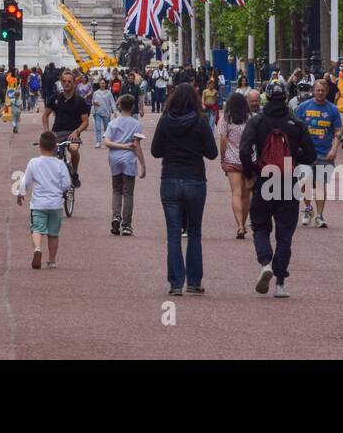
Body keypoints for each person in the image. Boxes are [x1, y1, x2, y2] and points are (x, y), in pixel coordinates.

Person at [239, 79, 317, 298]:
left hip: (264, 178)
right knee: (285, 233)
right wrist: (293, 158)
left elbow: (245, 149)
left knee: (260, 226)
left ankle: (265, 262)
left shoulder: (257, 121)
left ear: (266, 96)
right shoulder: (296, 122)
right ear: (285, 96)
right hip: (287, 181)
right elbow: (310, 155)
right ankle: (280, 283)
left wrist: (250, 171)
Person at [151, 82, 217, 295]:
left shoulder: (165, 121)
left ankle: (176, 282)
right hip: (195, 179)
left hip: (170, 178)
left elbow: (155, 151)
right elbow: (212, 153)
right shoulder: (200, 121)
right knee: (195, 232)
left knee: (173, 233)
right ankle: (194, 281)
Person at [19, 129, 72, 269]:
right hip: (55, 204)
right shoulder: (60, 164)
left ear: (40, 146)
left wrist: (20, 193)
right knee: (53, 234)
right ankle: (52, 260)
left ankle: (37, 248)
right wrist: (59, 190)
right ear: (55, 147)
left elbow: (25, 180)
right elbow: (67, 183)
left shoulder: (33, 163)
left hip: (38, 204)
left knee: (36, 229)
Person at [295, 78, 343, 228]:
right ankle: (308, 208)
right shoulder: (302, 107)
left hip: (324, 153)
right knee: (305, 183)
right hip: (305, 153)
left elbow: (338, 131)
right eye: (318, 90)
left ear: (327, 92)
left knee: (321, 186)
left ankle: (319, 215)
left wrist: (334, 149)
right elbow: (295, 129)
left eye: (323, 91)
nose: (320, 93)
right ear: (313, 91)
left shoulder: (333, 110)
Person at [105, 94, 145, 236]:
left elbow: (107, 142)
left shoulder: (112, 123)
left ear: (119, 105)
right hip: (129, 160)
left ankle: (116, 216)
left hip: (114, 158)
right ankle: (127, 225)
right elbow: (137, 146)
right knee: (128, 193)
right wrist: (143, 165)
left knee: (116, 190)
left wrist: (120, 146)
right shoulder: (136, 124)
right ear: (132, 107)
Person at [43, 71, 90, 188]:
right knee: (50, 154)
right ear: (61, 82)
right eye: (64, 81)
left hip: (73, 132)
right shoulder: (54, 98)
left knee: (74, 149)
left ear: (74, 83)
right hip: (57, 132)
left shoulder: (80, 100)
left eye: (69, 81)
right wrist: (46, 131)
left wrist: (77, 132)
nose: (67, 83)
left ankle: (74, 173)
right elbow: (45, 115)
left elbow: (85, 122)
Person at [217, 91, 253, 240]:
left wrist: (223, 157)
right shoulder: (250, 118)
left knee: (236, 193)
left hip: (232, 159)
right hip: (249, 158)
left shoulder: (225, 119)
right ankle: (244, 223)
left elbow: (223, 140)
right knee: (246, 195)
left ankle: (239, 225)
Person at [91, 79, 115, 149]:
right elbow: (93, 101)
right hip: (97, 112)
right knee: (97, 127)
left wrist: (115, 111)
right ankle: (98, 142)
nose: (102, 84)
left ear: (105, 84)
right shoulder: (96, 93)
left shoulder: (108, 93)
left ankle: (107, 142)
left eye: (103, 83)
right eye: (101, 83)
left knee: (107, 128)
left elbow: (112, 102)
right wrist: (94, 103)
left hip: (106, 112)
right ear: (99, 84)